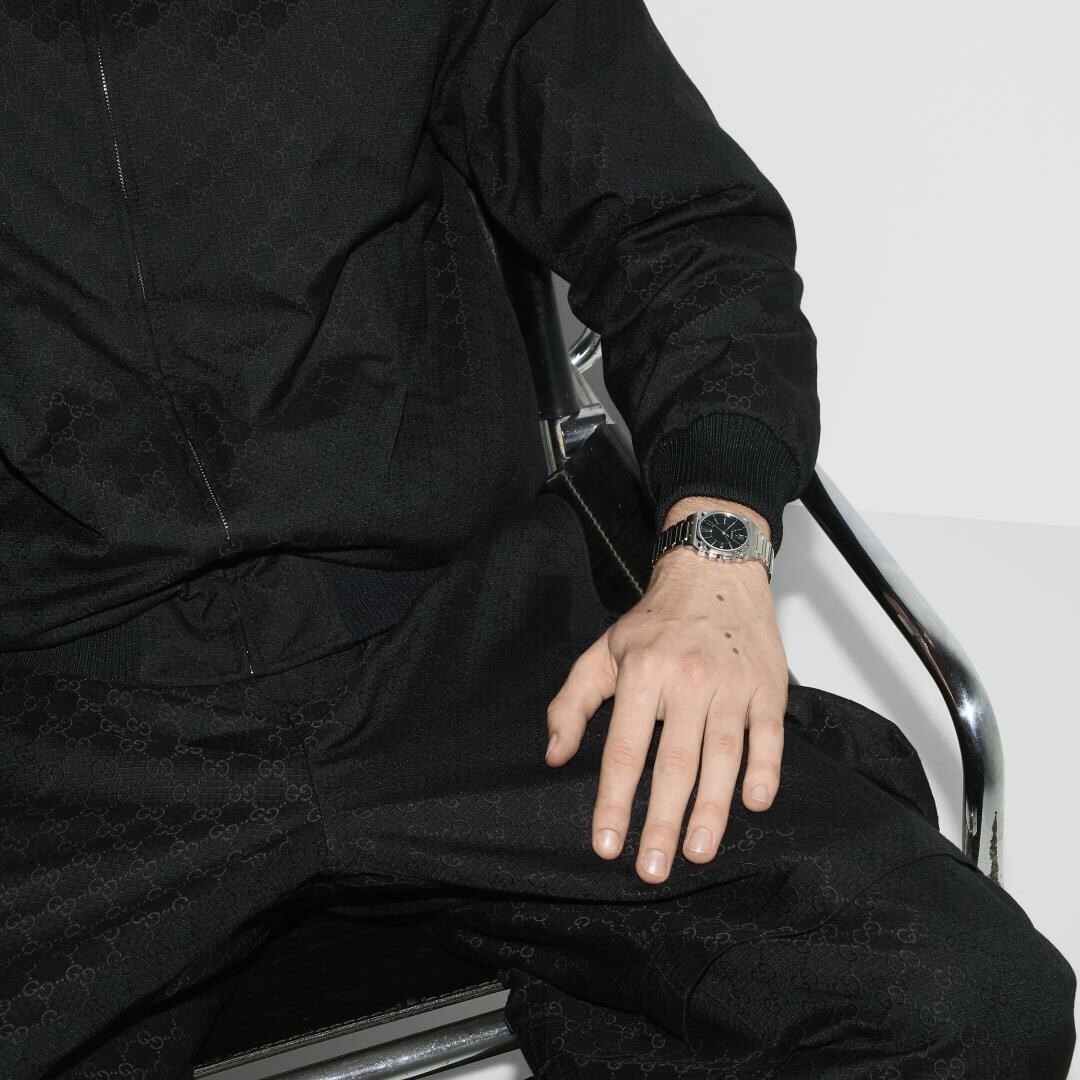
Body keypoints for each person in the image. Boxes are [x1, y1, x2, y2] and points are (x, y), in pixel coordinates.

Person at [0, 0, 1074, 1077]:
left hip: (470, 652)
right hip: (72, 722)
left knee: (957, 1003)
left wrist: (713, 548)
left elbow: (678, 229)